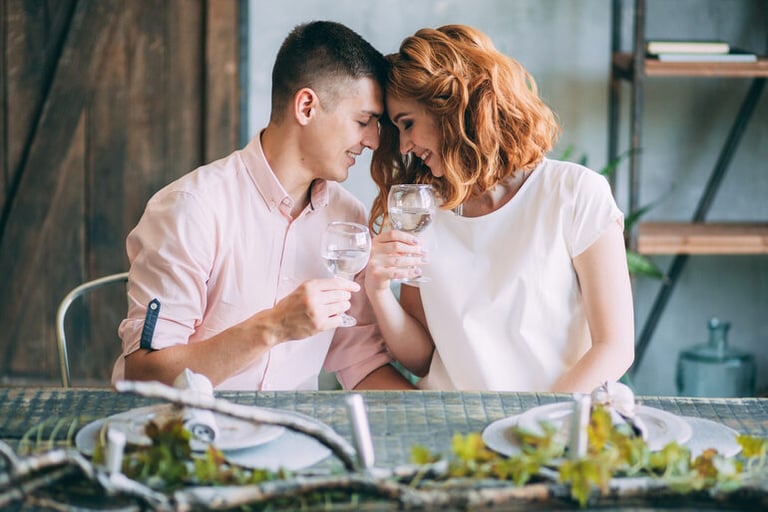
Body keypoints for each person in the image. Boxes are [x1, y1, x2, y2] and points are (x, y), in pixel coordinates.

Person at [111, 21, 414, 391]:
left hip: (295, 441)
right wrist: (274, 327)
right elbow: (144, 376)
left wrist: (439, 431)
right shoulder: (191, 209)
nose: (371, 141)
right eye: (363, 121)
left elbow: (361, 364)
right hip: (192, 438)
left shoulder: (348, 220)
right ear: (306, 106)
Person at [365, 25, 634, 393]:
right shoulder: (422, 211)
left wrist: (535, 424)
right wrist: (378, 291)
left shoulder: (574, 193)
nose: (407, 145)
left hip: (551, 432)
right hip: (455, 433)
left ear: (452, 107)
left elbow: (614, 348)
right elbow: (423, 358)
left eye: (408, 124)